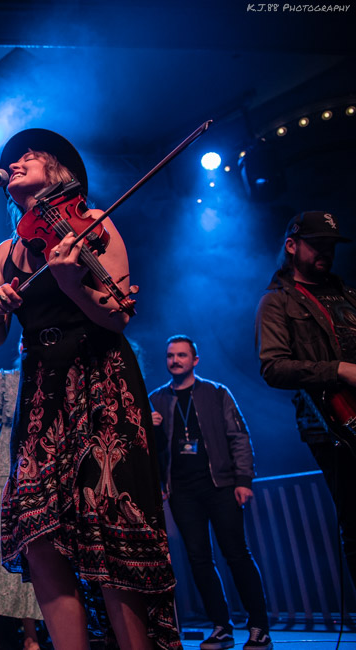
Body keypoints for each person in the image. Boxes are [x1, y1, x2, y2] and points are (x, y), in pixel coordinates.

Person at [0, 129, 179, 649]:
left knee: (110, 518)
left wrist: (73, 284)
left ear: (61, 174)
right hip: (43, 390)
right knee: (41, 530)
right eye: (14, 161)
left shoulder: (96, 225)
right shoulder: (6, 250)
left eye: (32, 156)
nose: (18, 161)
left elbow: (117, 319)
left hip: (99, 381)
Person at [149, 335, 271, 650]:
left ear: (195, 360)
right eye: (170, 356)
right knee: (198, 559)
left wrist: (243, 479)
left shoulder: (216, 393)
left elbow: (238, 435)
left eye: (181, 355)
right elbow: (149, 450)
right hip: (182, 491)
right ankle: (221, 626)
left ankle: (259, 626)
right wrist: (150, 428)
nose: (175, 360)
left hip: (221, 485)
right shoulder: (157, 399)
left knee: (236, 553)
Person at [256, 210, 356, 589]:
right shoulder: (277, 303)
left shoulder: (347, 293)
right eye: (317, 244)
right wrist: (339, 370)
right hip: (333, 425)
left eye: (330, 245)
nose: (325, 252)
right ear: (292, 246)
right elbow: (273, 368)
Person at [0, 346, 42, 650]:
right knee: (15, 549)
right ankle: (30, 636)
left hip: (45, 471)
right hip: (9, 472)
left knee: (45, 550)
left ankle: (53, 629)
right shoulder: (4, 379)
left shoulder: (51, 379)